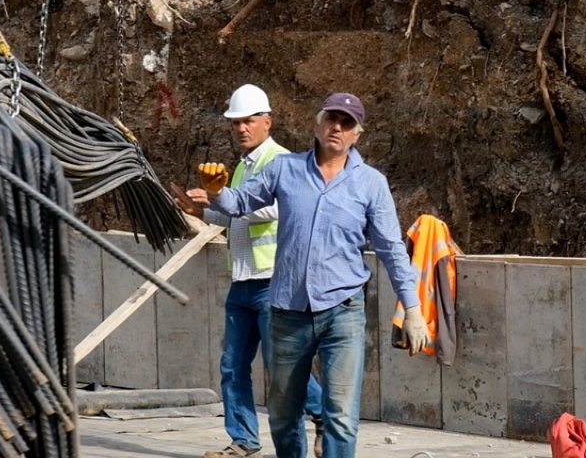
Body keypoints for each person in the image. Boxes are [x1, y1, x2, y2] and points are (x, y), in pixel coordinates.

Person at [186, 92, 429, 458]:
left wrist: (411, 308)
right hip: (288, 312)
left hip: (343, 311)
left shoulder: (370, 184)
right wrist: (217, 192)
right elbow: (240, 203)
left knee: (342, 416)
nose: (337, 127)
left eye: (347, 123)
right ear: (317, 124)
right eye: (331, 118)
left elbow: (391, 248)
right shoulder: (285, 169)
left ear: (357, 135)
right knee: (283, 415)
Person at [172, 84, 325, 458]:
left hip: (273, 281)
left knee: (283, 366)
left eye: (249, 121)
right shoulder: (241, 167)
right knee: (232, 366)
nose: (241, 128)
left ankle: (322, 416)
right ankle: (243, 440)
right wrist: (202, 211)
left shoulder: (284, 162)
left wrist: (221, 199)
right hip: (242, 280)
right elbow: (232, 213)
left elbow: (279, 209)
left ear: (267, 121)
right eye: (236, 122)